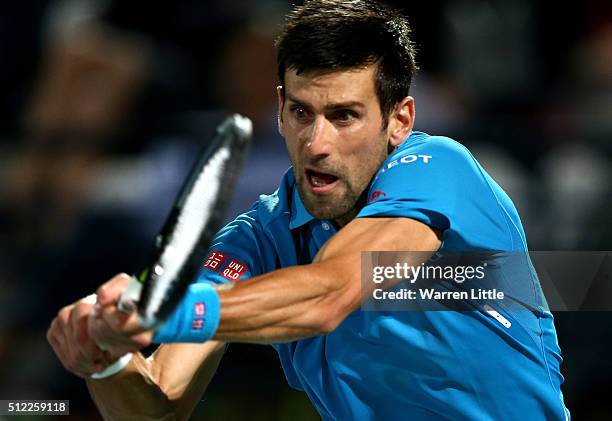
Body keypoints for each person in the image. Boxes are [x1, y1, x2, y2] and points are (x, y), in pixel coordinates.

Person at [47, 1, 570, 419]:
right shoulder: (255, 238)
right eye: (301, 112)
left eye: (344, 116)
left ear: (400, 119)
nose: (317, 143)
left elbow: (332, 292)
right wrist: (109, 355)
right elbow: (159, 405)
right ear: (279, 110)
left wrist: (164, 309)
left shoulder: (440, 169)